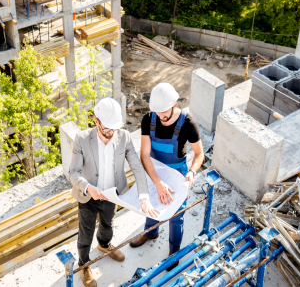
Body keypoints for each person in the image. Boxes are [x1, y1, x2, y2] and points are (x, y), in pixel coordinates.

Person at [68, 97, 158, 287]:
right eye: (107, 128)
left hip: (112, 193)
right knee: (86, 232)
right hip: (88, 195)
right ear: (96, 121)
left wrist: (144, 196)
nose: (111, 132)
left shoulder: (123, 136)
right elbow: (73, 172)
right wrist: (89, 188)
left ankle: (104, 245)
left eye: (114, 128)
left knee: (108, 224)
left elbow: (137, 166)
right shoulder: (82, 139)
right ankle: (84, 264)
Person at [130, 83, 204, 270]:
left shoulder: (188, 124)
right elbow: (144, 155)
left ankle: (174, 250)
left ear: (175, 105)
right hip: (155, 170)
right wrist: (158, 182)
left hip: (177, 173)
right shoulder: (149, 119)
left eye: (164, 112)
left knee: (176, 214)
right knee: (153, 204)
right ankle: (151, 232)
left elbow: (199, 154)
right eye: (157, 112)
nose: (161, 117)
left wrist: (192, 171)